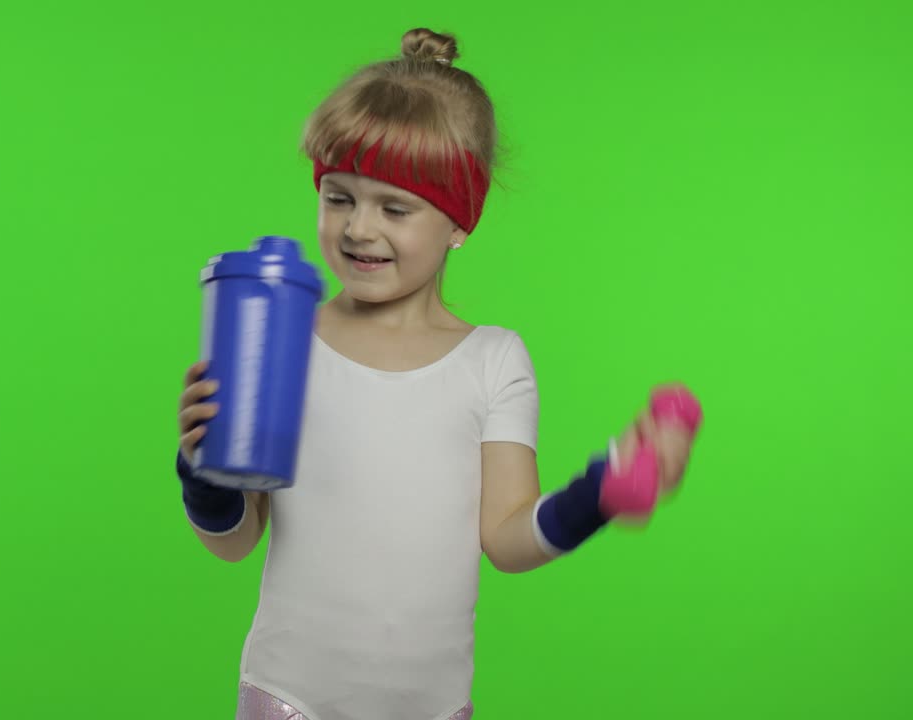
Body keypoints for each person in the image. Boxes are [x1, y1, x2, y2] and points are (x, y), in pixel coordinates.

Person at [174, 27, 697, 720]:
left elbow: (507, 538)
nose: (359, 229)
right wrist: (203, 471)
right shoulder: (285, 340)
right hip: (289, 696)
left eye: (395, 208)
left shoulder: (494, 360)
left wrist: (601, 492)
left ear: (458, 222)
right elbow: (236, 542)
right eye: (338, 197)